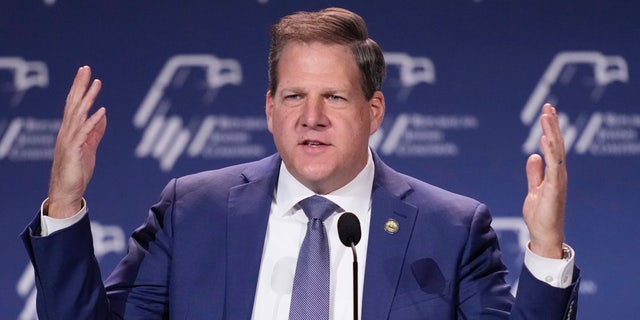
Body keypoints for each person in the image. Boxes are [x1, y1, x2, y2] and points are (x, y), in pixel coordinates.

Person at [22, 7, 579, 320]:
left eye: (334, 98)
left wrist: (547, 247)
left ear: (374, 110)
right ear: (269, 109)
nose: (311, 117)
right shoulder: (192, 210)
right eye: (293, 97)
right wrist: (66, 205)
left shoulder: (452, 228)